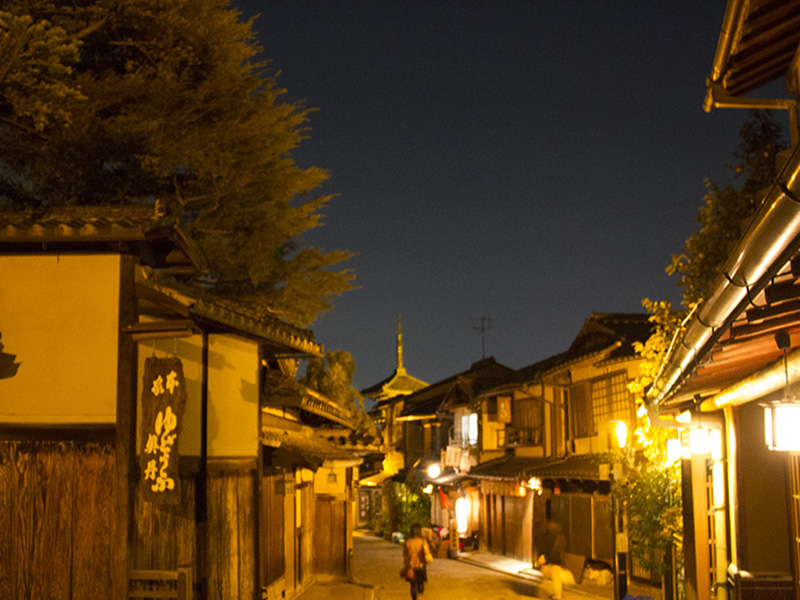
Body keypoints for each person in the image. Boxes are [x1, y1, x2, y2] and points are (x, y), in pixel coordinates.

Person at [537, 520, 567, 600]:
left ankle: (553, 595)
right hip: (557, 560)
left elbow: (546, 550)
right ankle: (556, 595)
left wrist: (546, 560)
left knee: (551, 578)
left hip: (551, 560)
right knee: (556, 579)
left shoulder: (549, 537)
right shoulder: (561, 538)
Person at [402, 522, 433, 600]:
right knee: (421, 583)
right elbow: (426, 553)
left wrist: (406, 565)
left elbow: (405, 556)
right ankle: (420, 596)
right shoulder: (423, 541)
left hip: (411, 566)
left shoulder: (408, 542)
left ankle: (414, 599)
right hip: (421, 566)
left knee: (412, 585)